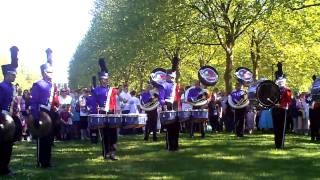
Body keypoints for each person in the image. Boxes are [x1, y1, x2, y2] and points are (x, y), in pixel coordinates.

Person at [30, 48, 55, 168]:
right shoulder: (38, 84)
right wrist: (35, 116)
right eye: (49, 72)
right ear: (44, 72)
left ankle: (47, 161)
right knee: (42, 138)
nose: (51, 74)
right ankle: (41, 161)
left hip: (50, 112)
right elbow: (33, 101)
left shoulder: (52, 85)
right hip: (41, 112)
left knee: (49, 138)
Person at [91, 58, 118, 160]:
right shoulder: (96, 90)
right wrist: (95, 112)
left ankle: (113, 152)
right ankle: (106, 153)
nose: (105, 81)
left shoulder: (112, 90)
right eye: (103, 79)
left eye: (106, 79)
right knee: (105, 134)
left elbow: (116, 99)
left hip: (111, 113)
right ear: (100, 80)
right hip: (102, 113)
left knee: (113, 133)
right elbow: (94, 103)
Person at [0, 46, 19, 176]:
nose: (14, 76)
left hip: (9, 116)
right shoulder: (1, 87)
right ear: (7, 74)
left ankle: (5, 167)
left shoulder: (11, 87)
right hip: (2, 117)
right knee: (2, 144)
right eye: (13, 74)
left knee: (8, 144)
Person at [156, 56, 181, 151]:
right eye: (171, 77)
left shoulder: (176, 85)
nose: (172, 79)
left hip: (175, 105)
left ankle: (176, 146)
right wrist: (164, 105)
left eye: (173, 78)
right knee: (170, 127)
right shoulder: (163, 85)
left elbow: (177, 96)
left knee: (176, 127)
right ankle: (170, 146)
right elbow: (161, 98)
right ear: (167, 76)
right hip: (167, 105)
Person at [271, 62, 292, 149]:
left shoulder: (287, 90)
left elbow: (289, 101)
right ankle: (277, 145)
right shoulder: (272, 89)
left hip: (283, 109)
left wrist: (282, 105)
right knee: (276, 128)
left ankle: (281, 145)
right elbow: (269, 99)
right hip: (275, 109)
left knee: (282, 128)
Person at [309, 75, 320, 142]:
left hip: (315, 107)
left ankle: (315, 136)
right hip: (314, 107)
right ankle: (314, 136)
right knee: (314, 123)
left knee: (315, 123)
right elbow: (310, 99)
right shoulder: (312, 93)